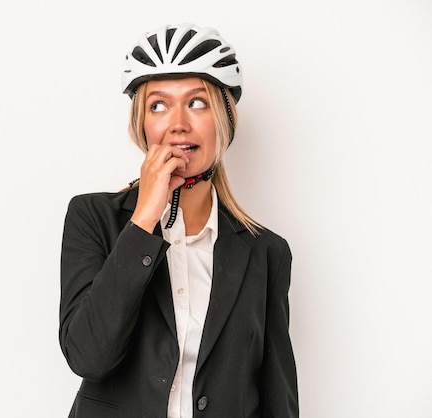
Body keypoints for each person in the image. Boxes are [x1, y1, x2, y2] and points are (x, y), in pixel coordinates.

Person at [59, 23, 298, 418]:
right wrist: (143, 220)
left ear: (225, 119)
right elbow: (88, 357)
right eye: (158, 105)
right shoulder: (92, 218)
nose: (177, 123)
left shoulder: (266, 252)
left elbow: (277, 394)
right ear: (142, 124)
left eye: (197, 102)